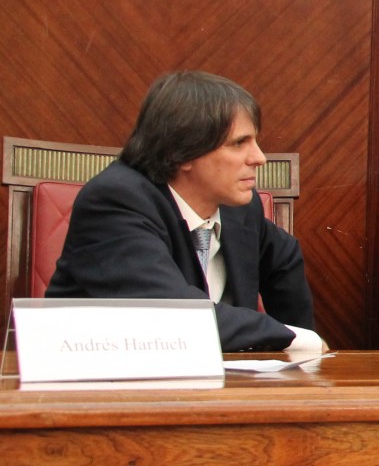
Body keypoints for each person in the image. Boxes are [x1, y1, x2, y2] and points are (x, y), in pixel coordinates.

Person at [46, 71, 325, 353]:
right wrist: (294, 338)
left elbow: (283, 256)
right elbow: (174, 317)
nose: (259, 158)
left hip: (212, 386)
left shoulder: (238, 207)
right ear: (181, 153)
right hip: (97, 385)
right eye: (239, 143)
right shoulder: (113, 202)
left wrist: (300, 360)